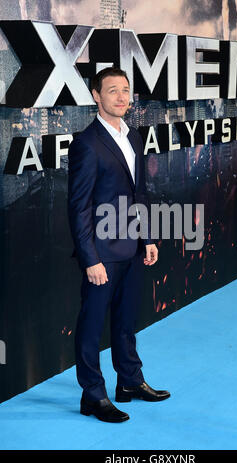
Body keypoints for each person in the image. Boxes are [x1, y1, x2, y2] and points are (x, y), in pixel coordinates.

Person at [68, 67, 170, 423]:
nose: (121, 97)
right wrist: (89, 258)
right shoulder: (87, 143)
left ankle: (129, 382)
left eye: (125, 90)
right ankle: (92, 395)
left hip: (132, 247)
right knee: (92, 325)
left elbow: (138, 192)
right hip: (101, 254)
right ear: (96, 96)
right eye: (112, 90)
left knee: (127, 322)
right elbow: (79, 205)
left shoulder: (134, 136)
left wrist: (149, 236)